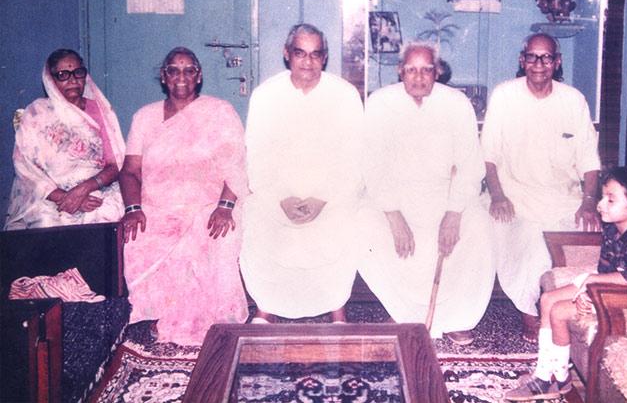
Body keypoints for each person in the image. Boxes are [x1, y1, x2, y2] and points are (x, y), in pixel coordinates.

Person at [358, 42, 495, 344]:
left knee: (480, 226)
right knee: (361, 224)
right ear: (400, 71)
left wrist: (454, 213)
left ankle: (459, 316)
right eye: (411, 70)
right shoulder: (380, 103)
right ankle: (402, 310)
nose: (419, 77)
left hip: (446, 198)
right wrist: (393, 216)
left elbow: (471, 165)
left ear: (437, 72)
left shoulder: (456, 103)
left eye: (426, 70)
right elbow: (372, 165)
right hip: (395, 200)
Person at [119, 46, 248, 344]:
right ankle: (159, 313)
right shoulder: (144, 117)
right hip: (156, 206)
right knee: (137, 235)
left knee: (212, 239)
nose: (182, 77)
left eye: (189, 70)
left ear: (199, 76)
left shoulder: (219, 112)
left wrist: (225, 206)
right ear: (163, 77)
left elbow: (237, 165)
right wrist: (133, 208)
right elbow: (129, 171)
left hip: (210, 205)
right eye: (174, 70)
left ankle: (188, 322)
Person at [505, 166, 627, 401]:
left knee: (560, 311)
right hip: (610, 289)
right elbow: (606, 269)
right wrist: (588, 292)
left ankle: (555, 377)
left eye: (610, 200)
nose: (601, 204)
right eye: (603, 197)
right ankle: (548, 375)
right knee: (548, 299)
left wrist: (592, 286)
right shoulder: (613, 229)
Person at [240, 23, 364, 323]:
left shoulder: (345, 95)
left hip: (332, 193)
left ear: (324, 58)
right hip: (277, 192)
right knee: (256, 216)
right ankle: (266, 308)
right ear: (287, 55)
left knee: (345, 220)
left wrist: (322, 198)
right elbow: (257, 156)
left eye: (315, 54)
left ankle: (337, 309)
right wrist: (282, 197)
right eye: (300, 53)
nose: (307, 62)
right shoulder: (265, 95)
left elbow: (354, 158)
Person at [480, 33, 601, 340]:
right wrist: (497, 195)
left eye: (546, 57)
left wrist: (588, 201)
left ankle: (582, 311)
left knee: (590, 237)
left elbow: (589, 159)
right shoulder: (505, 95)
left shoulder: (573, 100)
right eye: (532, 57)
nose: (539, 64)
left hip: (565, 197)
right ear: (522, 61)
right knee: (532, 245)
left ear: (556, 62)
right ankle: (530, 312)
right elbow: (489, 155)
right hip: (514, 195)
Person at [5, 49, 125, 230]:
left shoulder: (100, 110)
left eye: (78, 72)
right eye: (63, 75)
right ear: (50, 79)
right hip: (49, 194)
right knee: (46, 222)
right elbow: (25, 168)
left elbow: (115, 163)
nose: (73, 80)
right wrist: (65, 197)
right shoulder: (37, 113)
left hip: (95, 188)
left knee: (106, 212)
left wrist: (83, 190)